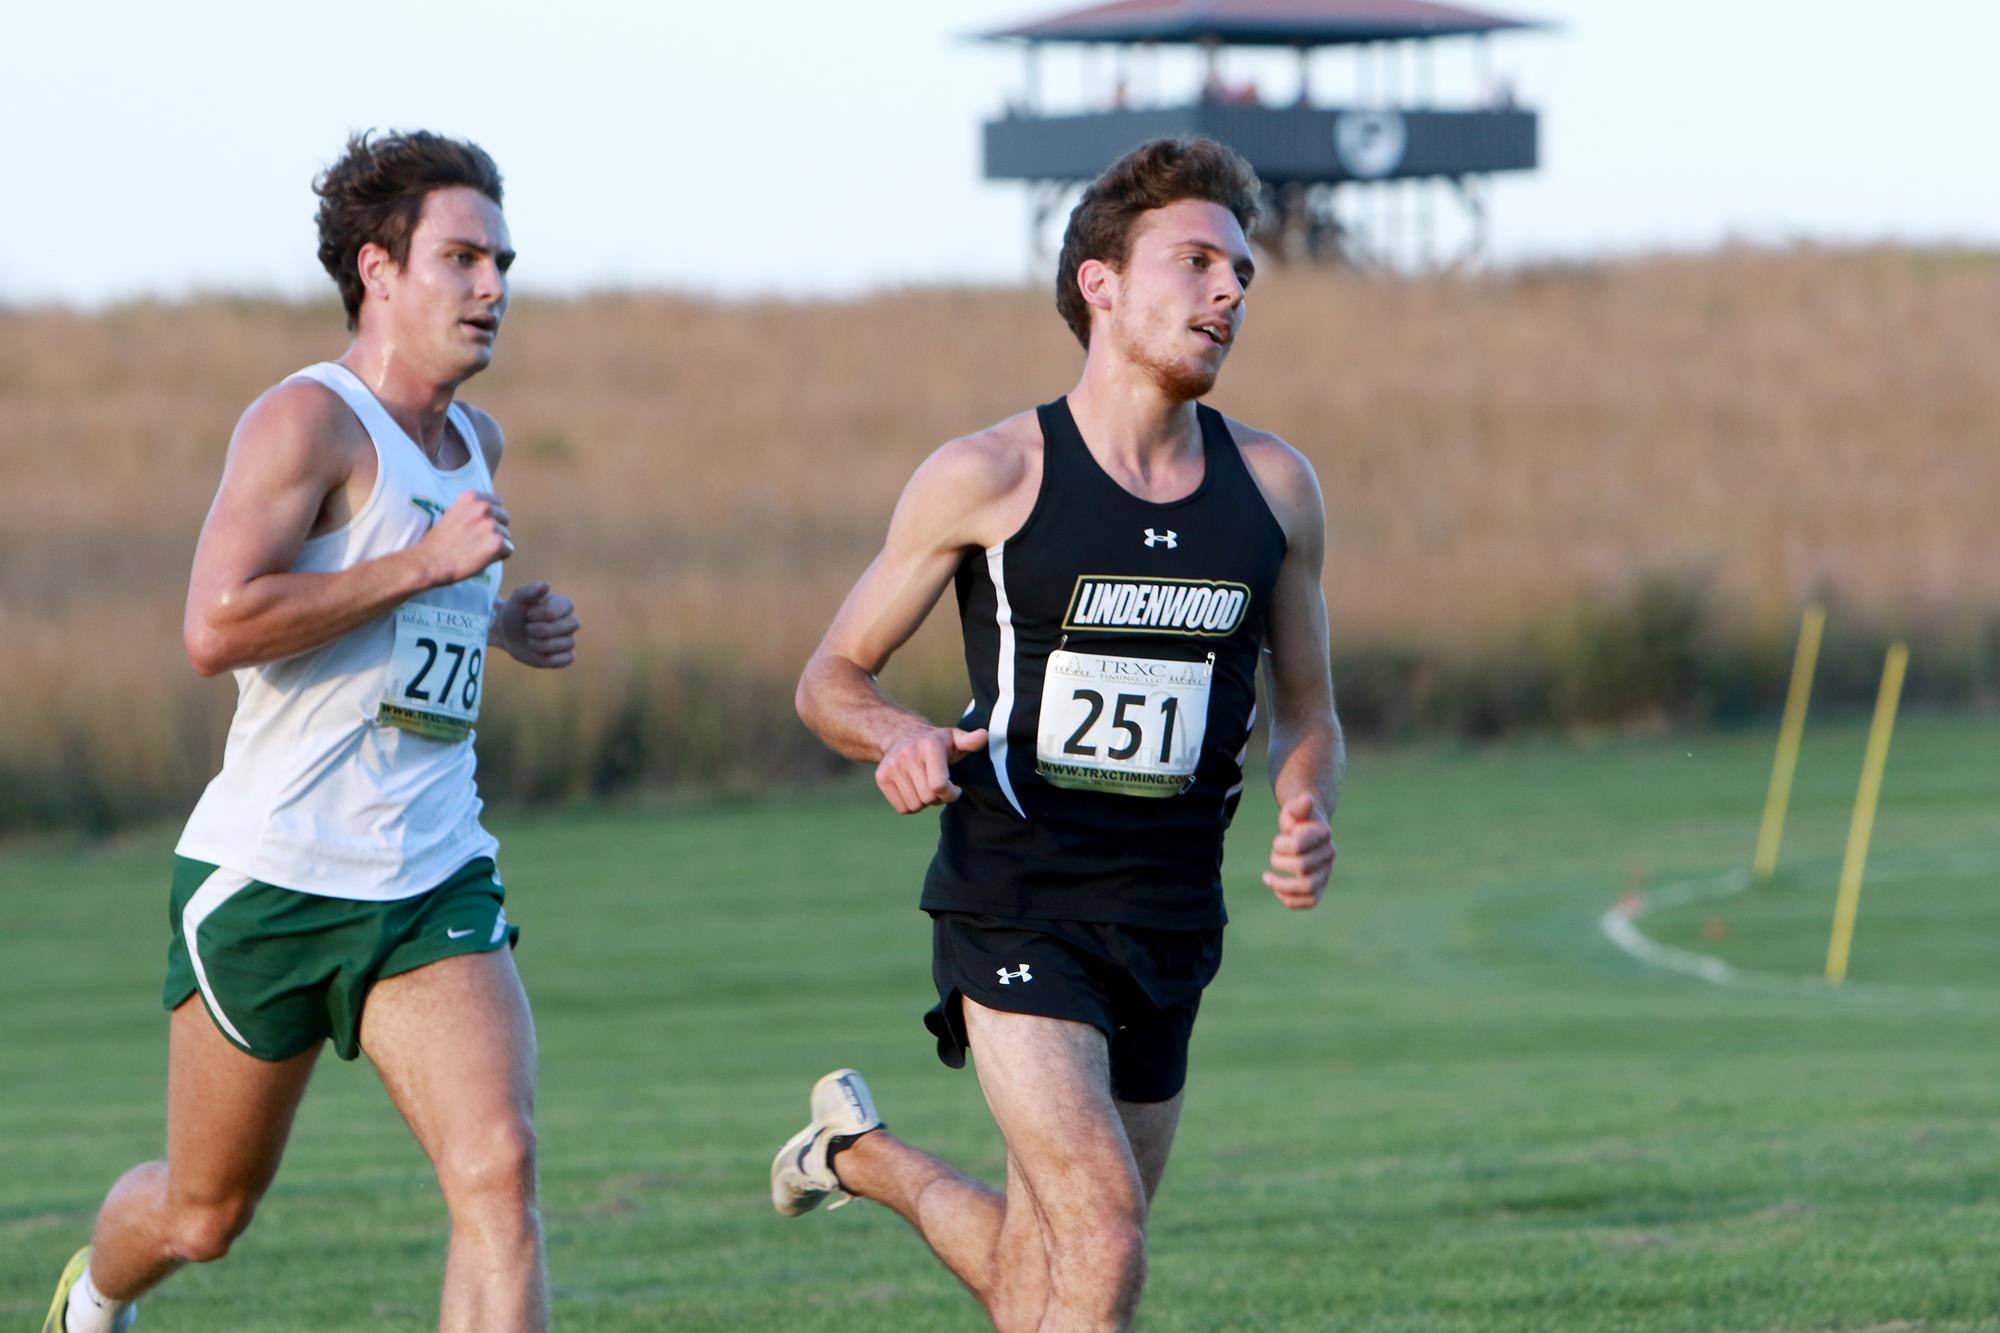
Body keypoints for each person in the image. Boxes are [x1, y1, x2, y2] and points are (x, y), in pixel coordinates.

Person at [773, 136, 1343, 1331]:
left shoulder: (1277, 490)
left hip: (1174, 917)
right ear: (1100, 283)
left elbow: (1310, 712)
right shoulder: (987, 473)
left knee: (1051, 1272)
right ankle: (863, 1154)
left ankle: (860, 1156)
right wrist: (897, 735)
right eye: (1194, 263)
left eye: (1239, 271)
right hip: (1016, 895)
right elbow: (829, 676)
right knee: (1104, 1229)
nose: (1229, 291)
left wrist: (1307, 806)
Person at [42, 129, 578, 1333]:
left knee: (498, 1174)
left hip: (432, 872)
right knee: (204, 1214)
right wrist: (422, 561)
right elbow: (218, 624)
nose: (492, 288)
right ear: (377, 269)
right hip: (272, 879)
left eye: (501, 261)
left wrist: (497, 620)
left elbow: (408, 616)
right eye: (461, 259)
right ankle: (94, 1294)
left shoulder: (473, 443)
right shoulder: (304, 420)